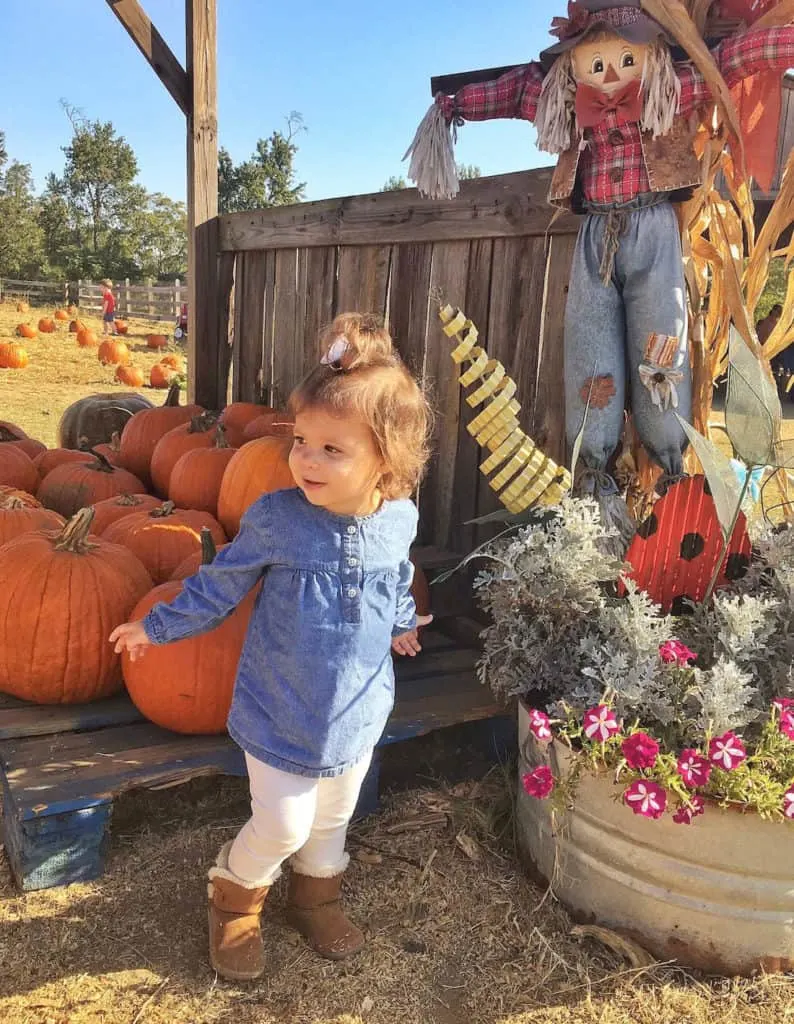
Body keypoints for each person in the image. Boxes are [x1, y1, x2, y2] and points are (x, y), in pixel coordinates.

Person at [109, 313, 433, 981]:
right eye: (301, 441)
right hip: (281, 707)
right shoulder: (277, 519)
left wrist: (401, 621)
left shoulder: (400, 518)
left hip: (357, 708)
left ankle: (317, 897)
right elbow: (219, 585)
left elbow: (397, 577)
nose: (305, 460)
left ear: (387, 459)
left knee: (335, 815)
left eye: (331, 450)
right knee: (283, 825)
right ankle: (233, 900)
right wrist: (157, 626)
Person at [405, 0, 794, 543]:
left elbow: (729, 61)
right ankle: (594, 480)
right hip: (595, 241)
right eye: (595, 64)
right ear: (573, 67)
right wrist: (452, 106)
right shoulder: (562, 99)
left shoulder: (673, 85)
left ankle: (672, 472)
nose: (610, 75)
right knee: (590, 350)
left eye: (625, 60)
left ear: (653, 58)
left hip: (655, 235)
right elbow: (513, 91)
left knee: (663, 349)